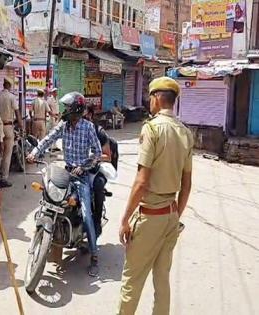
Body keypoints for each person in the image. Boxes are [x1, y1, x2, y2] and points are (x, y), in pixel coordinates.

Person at [117, 77, 193, 315]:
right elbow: (187, 184)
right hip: (170, 216)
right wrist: (175, 215)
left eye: (150, 97)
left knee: (132, 280)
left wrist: (125, 220)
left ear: (158, 98)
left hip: (151, 216)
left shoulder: (152, 129)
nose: (149, 102)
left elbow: (141, 182)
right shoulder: (185, 133)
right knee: (162, 281)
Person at [27, 91, 102, 277]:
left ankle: (94, 255)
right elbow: (48, 139)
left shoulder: (88, 127)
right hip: (66, 171)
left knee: (86, 214)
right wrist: (35, 152)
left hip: (82, 176)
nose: (64, 111)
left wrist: (84, 166)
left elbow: (97, 152)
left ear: (76, 109)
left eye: (68, 107)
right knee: (49, 200)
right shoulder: (63, 125)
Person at [84, 105, 119, 237]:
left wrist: (91, 157)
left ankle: (97, 221)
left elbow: (107, 156)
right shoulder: (73, 129)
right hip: (77, 168)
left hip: (97, 168)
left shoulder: (99, 132)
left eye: (84, 115)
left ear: (90, 115)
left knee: (98, 184)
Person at [0, 77, 23, 188]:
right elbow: (17, 112)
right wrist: (20, 124)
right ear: (9, 85)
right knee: (7, 154)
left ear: (3, 84)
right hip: (8, 127)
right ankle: (4, 178)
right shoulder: (11, 97)